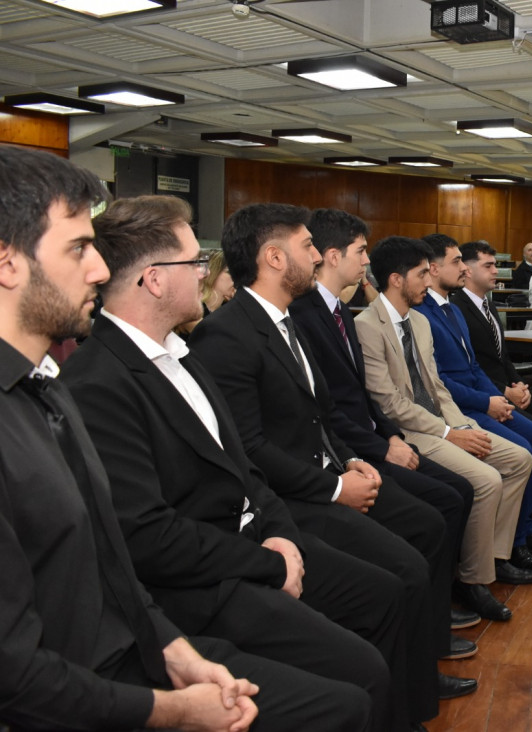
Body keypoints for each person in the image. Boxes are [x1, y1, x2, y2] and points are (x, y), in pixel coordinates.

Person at [0, 144, 367, 732]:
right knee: (345, 700)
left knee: (354, 683)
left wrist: (174, 652)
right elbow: (17, 672)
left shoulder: (45, 387)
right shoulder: (71, 388)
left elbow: (110, 562)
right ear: (7, 263)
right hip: (90, 685)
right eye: (77, 249)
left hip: (137, 640)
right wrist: (169, 710)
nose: (98, 270)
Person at [62, 195, 409, 730]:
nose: (207, 272)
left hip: (256, 544)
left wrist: (283, 537)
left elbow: (244, 467)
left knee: (383, 598)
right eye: (194, 262)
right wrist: (271, 563)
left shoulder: (179, 353)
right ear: (154, 279)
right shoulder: (97, 382)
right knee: (358, 680)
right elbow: (150, 536)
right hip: (204, 587)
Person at [188, 204, 455, 730]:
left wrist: (352, 458)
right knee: (399, 576)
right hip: (290, 497)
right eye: (307, 246)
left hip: (324, 476)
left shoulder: (287, 321)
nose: (317, 257)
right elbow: (250, 448)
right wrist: (335, 488)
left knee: (417, 545)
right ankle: (399, 710)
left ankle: (411, 693)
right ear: (273, 257)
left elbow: (321, 414)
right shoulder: (226, 335)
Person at [287, 209, 479, 650]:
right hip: (349, 451)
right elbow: (327, 409)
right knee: (441, 508)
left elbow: (364, 395)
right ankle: (430, 629)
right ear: (333, 256)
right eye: (360, 251)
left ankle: (437, 610)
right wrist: (377, 447)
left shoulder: (337, 309)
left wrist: (390, 435)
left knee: (454, 495)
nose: (366, 260)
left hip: (370, 439)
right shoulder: (306, 315)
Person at [354, 236, 532, 622]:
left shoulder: (419, 321)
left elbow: (436, 387)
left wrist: (463, 424)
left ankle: (493, 556)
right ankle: (471, 580)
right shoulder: (366, 326)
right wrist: (449, 433)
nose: (428, 281)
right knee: (487, 480)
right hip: (410, 431)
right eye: (422, 274)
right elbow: (390, 403)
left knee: (519, 458)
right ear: (397, 279)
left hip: (441, 421)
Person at [416, 234, 532, 574]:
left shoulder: (452, 309)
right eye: (456, 262)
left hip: (478, 399)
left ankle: (523, 529)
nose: (463, 269)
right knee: (526, 447)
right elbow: (438, 380)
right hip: (459, 407)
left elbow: (475, 368)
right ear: (433, 269)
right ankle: (511, 543)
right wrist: (487, 401)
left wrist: (498, 397)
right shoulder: (423, 314)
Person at [453, 240, 532, 533]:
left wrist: (519, 384)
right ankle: (528, 513)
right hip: (489, 392)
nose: (495, 271)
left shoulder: (489, 304)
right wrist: (505, 391)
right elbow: (474, 366)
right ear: (468, 270)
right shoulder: (457, 308)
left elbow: (503, 356)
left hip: (509, 387)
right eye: (488, 265)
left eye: (494, 264)